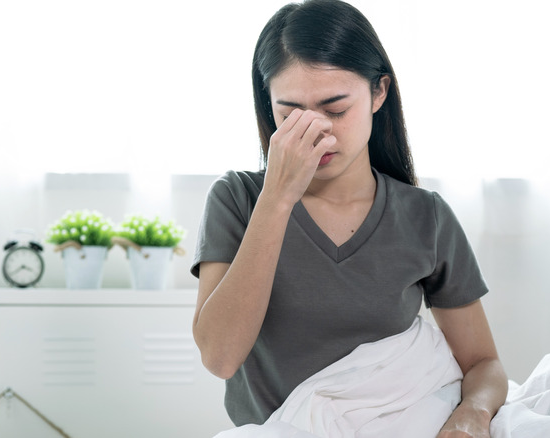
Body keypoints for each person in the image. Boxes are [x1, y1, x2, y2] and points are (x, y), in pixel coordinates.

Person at [190, 0, 508, 436]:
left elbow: (483, 364)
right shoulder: (239, 199)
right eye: (290, 114)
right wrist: (278, 198)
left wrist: (472, 414)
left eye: (336, 109)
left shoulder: (425, 216)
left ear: (379, 93)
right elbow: (220, 358)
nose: (316, 132)